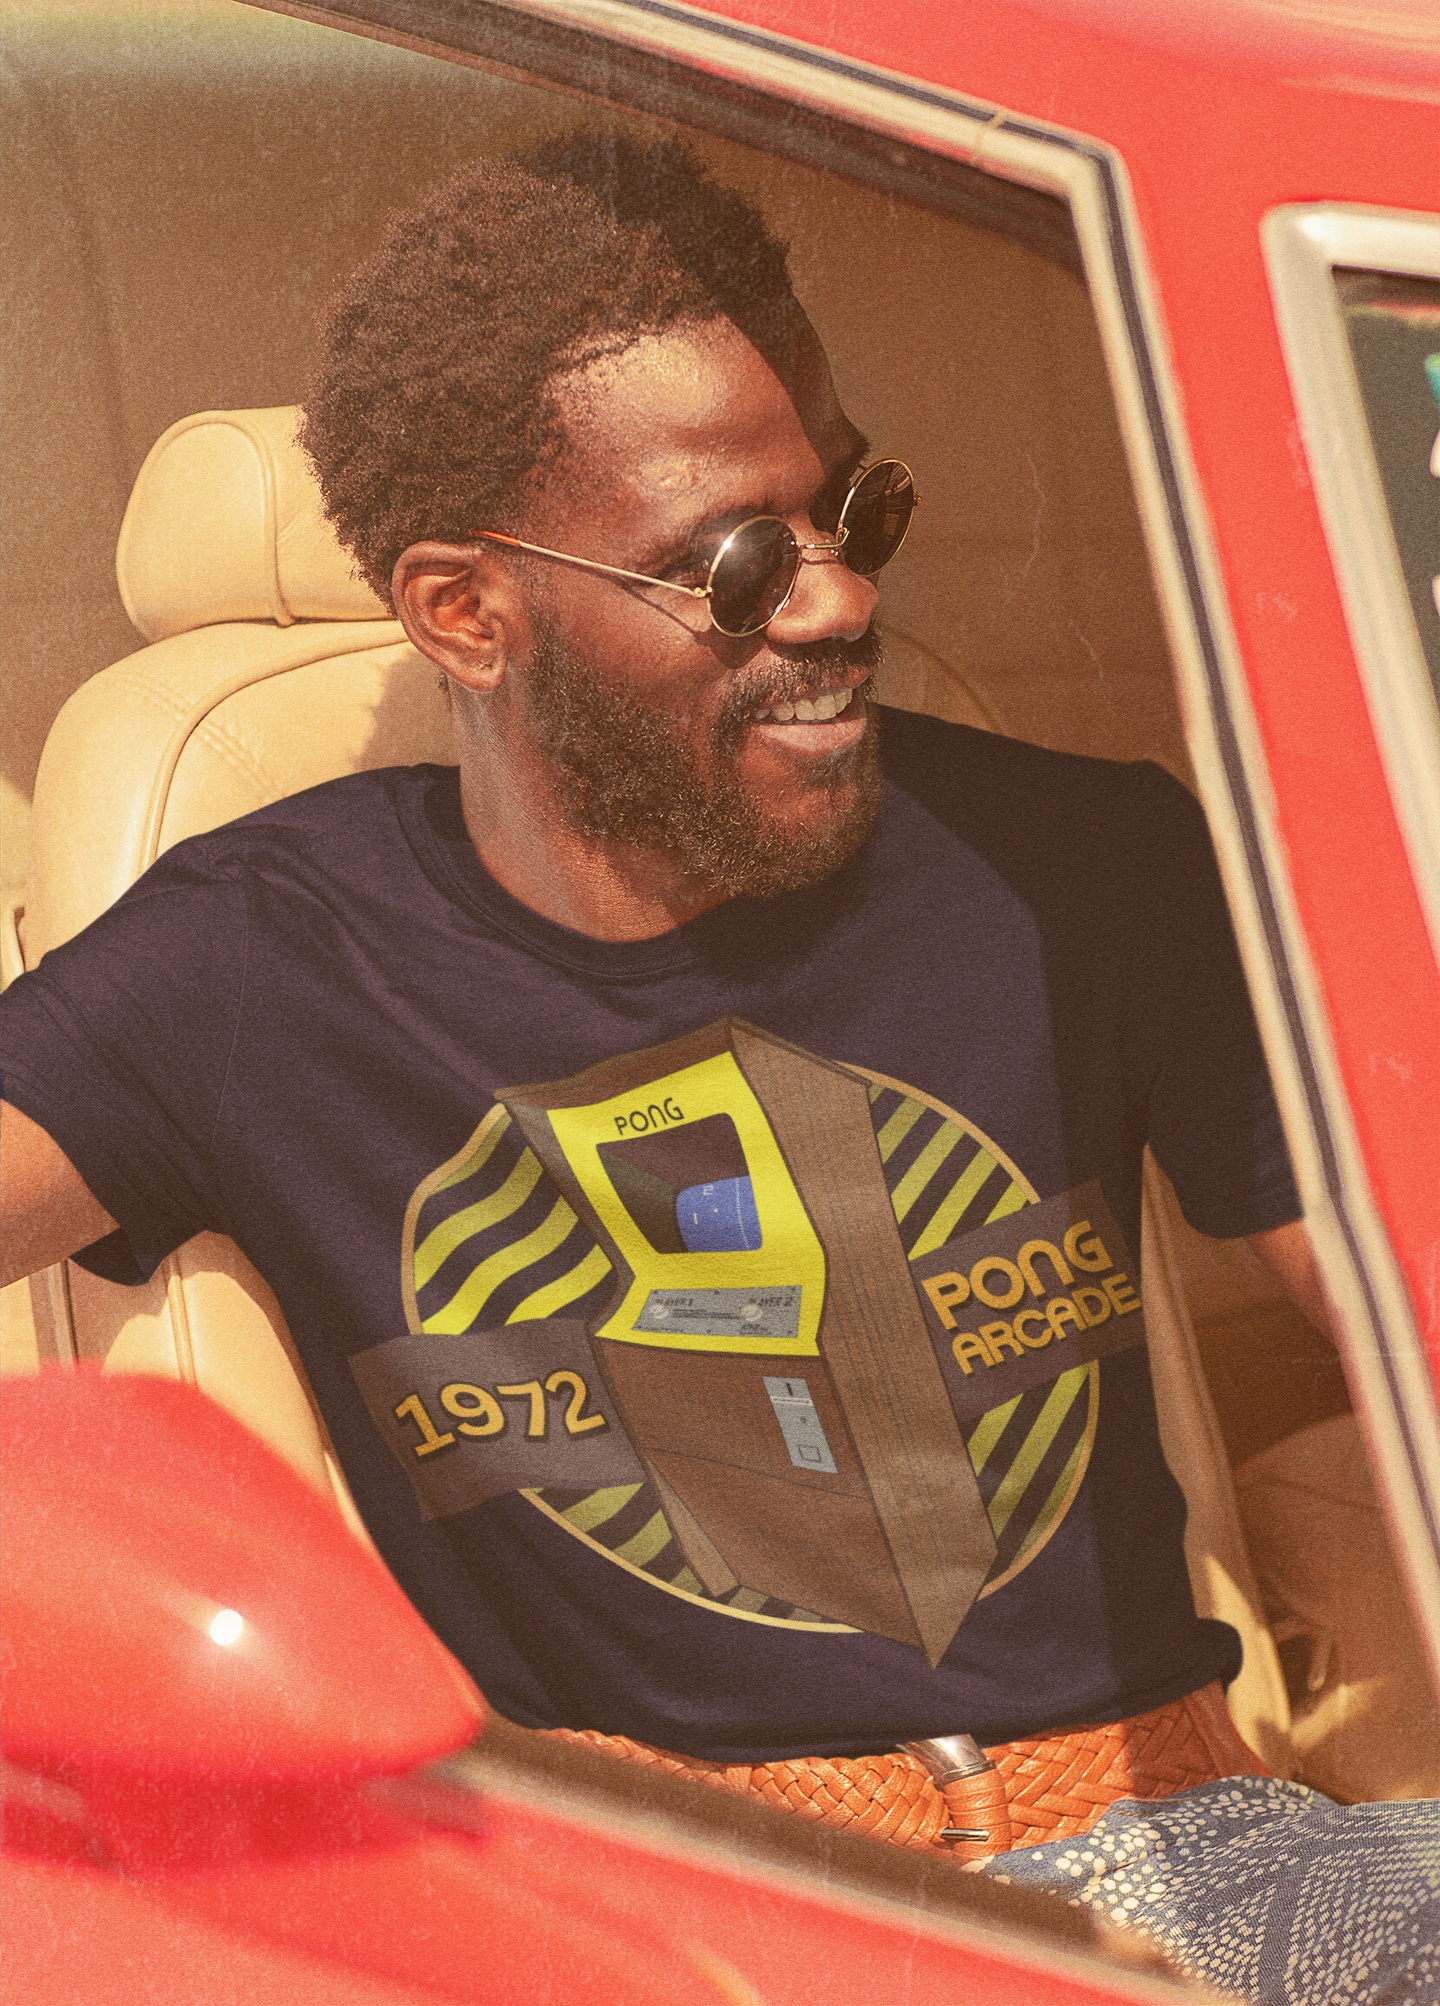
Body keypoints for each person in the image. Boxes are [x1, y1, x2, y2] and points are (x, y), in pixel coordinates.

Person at [1, 136, 1434, 2001]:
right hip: (687, 1915)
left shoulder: (1082, 863)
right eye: (736, 563)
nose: (836, 604)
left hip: (1197, 1855)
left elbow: (1399, 1302)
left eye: (853, 513)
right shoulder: (263, 956)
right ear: (464, 612)